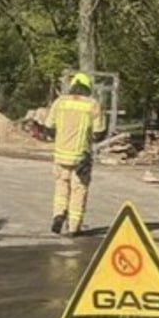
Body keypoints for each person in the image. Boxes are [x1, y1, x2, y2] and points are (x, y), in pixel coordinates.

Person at [43, 72, 107, 236]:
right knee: (79, 190)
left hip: (61, 155)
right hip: (81, 157)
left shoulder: (60, 102)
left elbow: (48, 128)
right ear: (87, 88)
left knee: (61, 187)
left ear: (72, 87)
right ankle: (73, 227)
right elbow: (99, 133)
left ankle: (58, 214)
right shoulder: (92, 105)